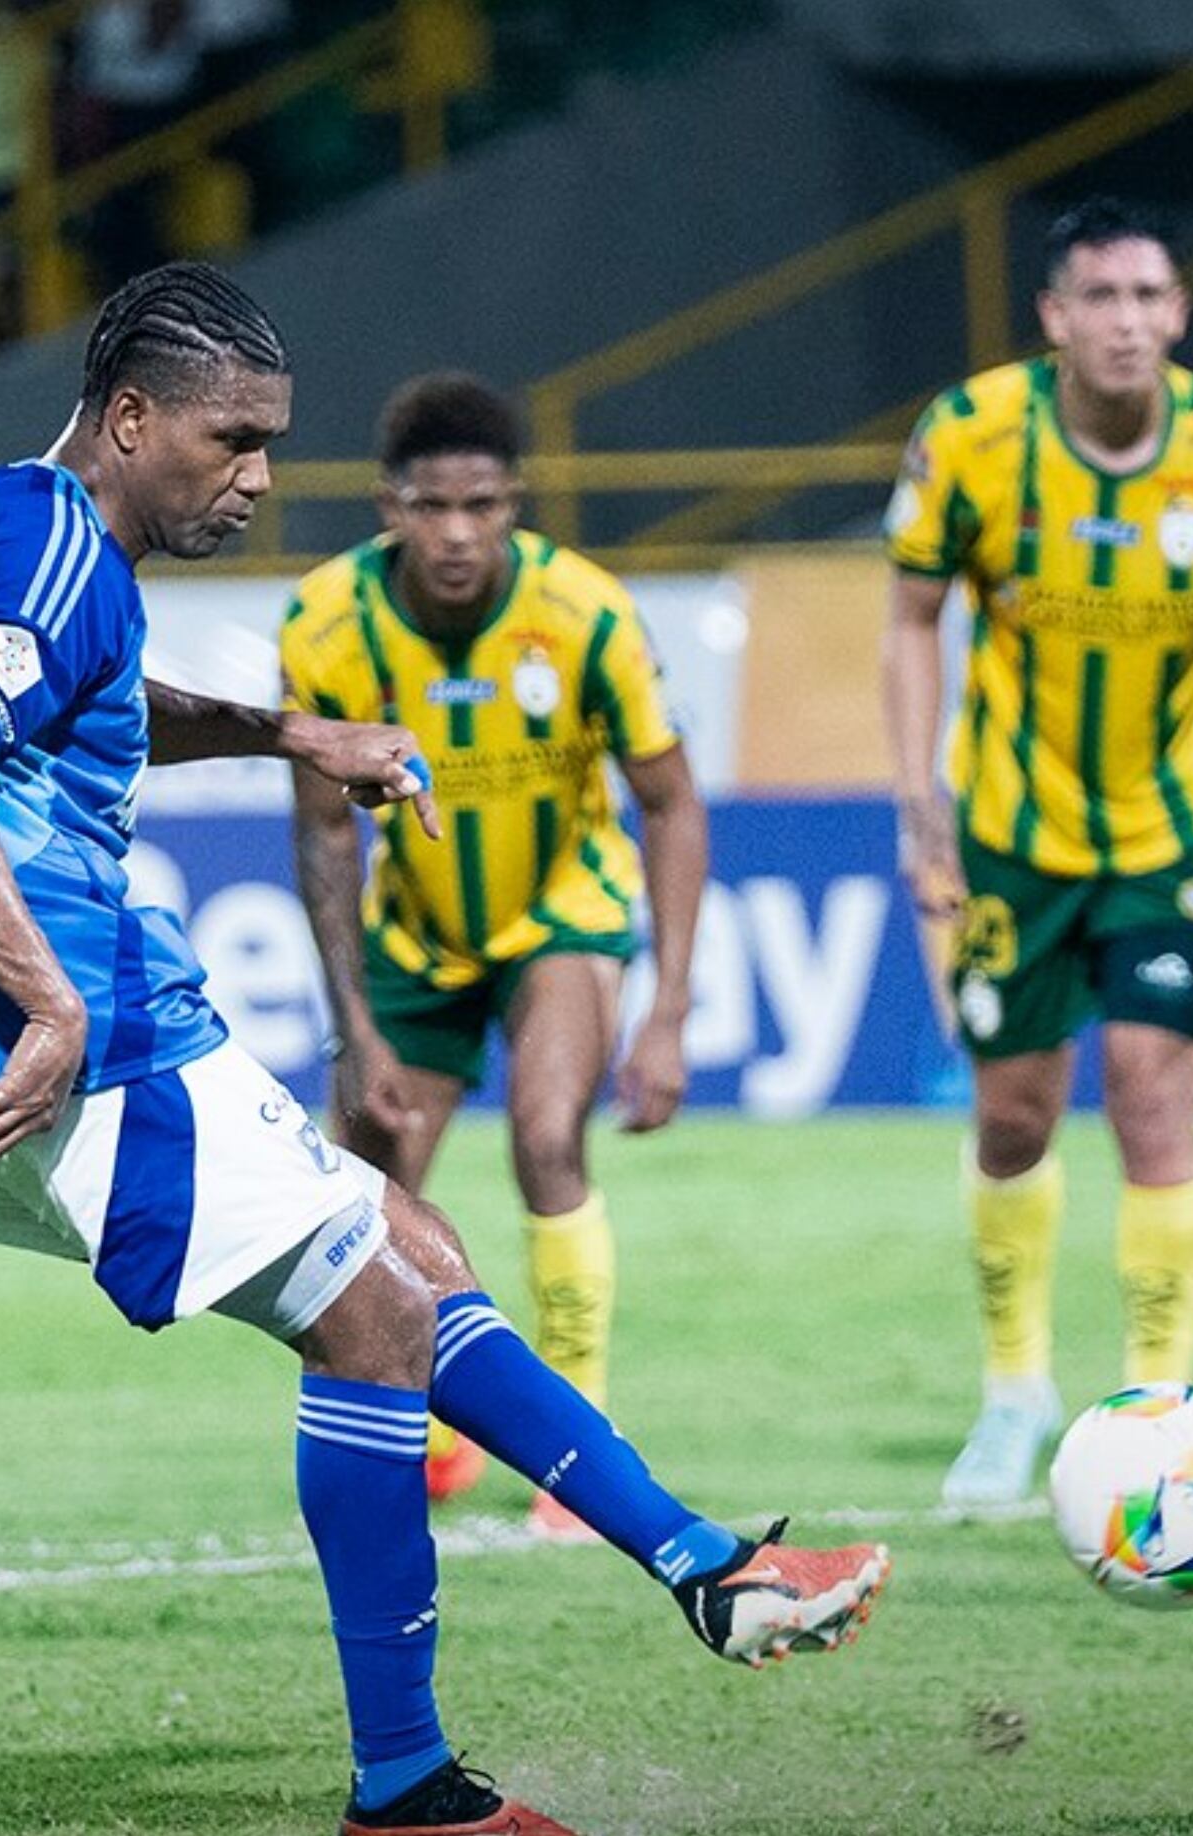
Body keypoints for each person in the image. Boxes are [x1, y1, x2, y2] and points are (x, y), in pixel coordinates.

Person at [0, 262, 886, 1836]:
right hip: (41, 1031)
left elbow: (81, 700)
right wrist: (51, 1012)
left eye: (272, 440)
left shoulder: (26, 535)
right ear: (128, 418)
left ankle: (702, 1569)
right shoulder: (45, 540)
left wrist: (282, 732)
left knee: (415, 1244)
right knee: (380, 1311)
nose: (258, 476)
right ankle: (410, 1788)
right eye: (232, 438)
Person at [881, 199, 1193, 1509]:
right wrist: (921, 809)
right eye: (1102, 299)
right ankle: (1014, 1391)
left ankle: (1155, 1409)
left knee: (1150, 1093)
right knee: (1013, 1115)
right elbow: (910, 621)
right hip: (1015, 838)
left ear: (1179, 313)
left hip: (1174, 833)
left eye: (1150, 297)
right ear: (1056, 318)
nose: (1128, 324)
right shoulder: (969, 438)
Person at [278, 372, 706, 1544]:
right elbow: (321, 829)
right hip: (414, 933)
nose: (457, 534)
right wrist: (353, 1024)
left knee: (545, 1138)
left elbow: (670, 802)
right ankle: (414, 1432)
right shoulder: (326, 623)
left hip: (559, 912)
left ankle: (578, 1446)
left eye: (482, 506)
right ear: (389, 506)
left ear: (514, 501)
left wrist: (668, 1009)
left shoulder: (587, 615)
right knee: (366, 1189)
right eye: (431, 507)